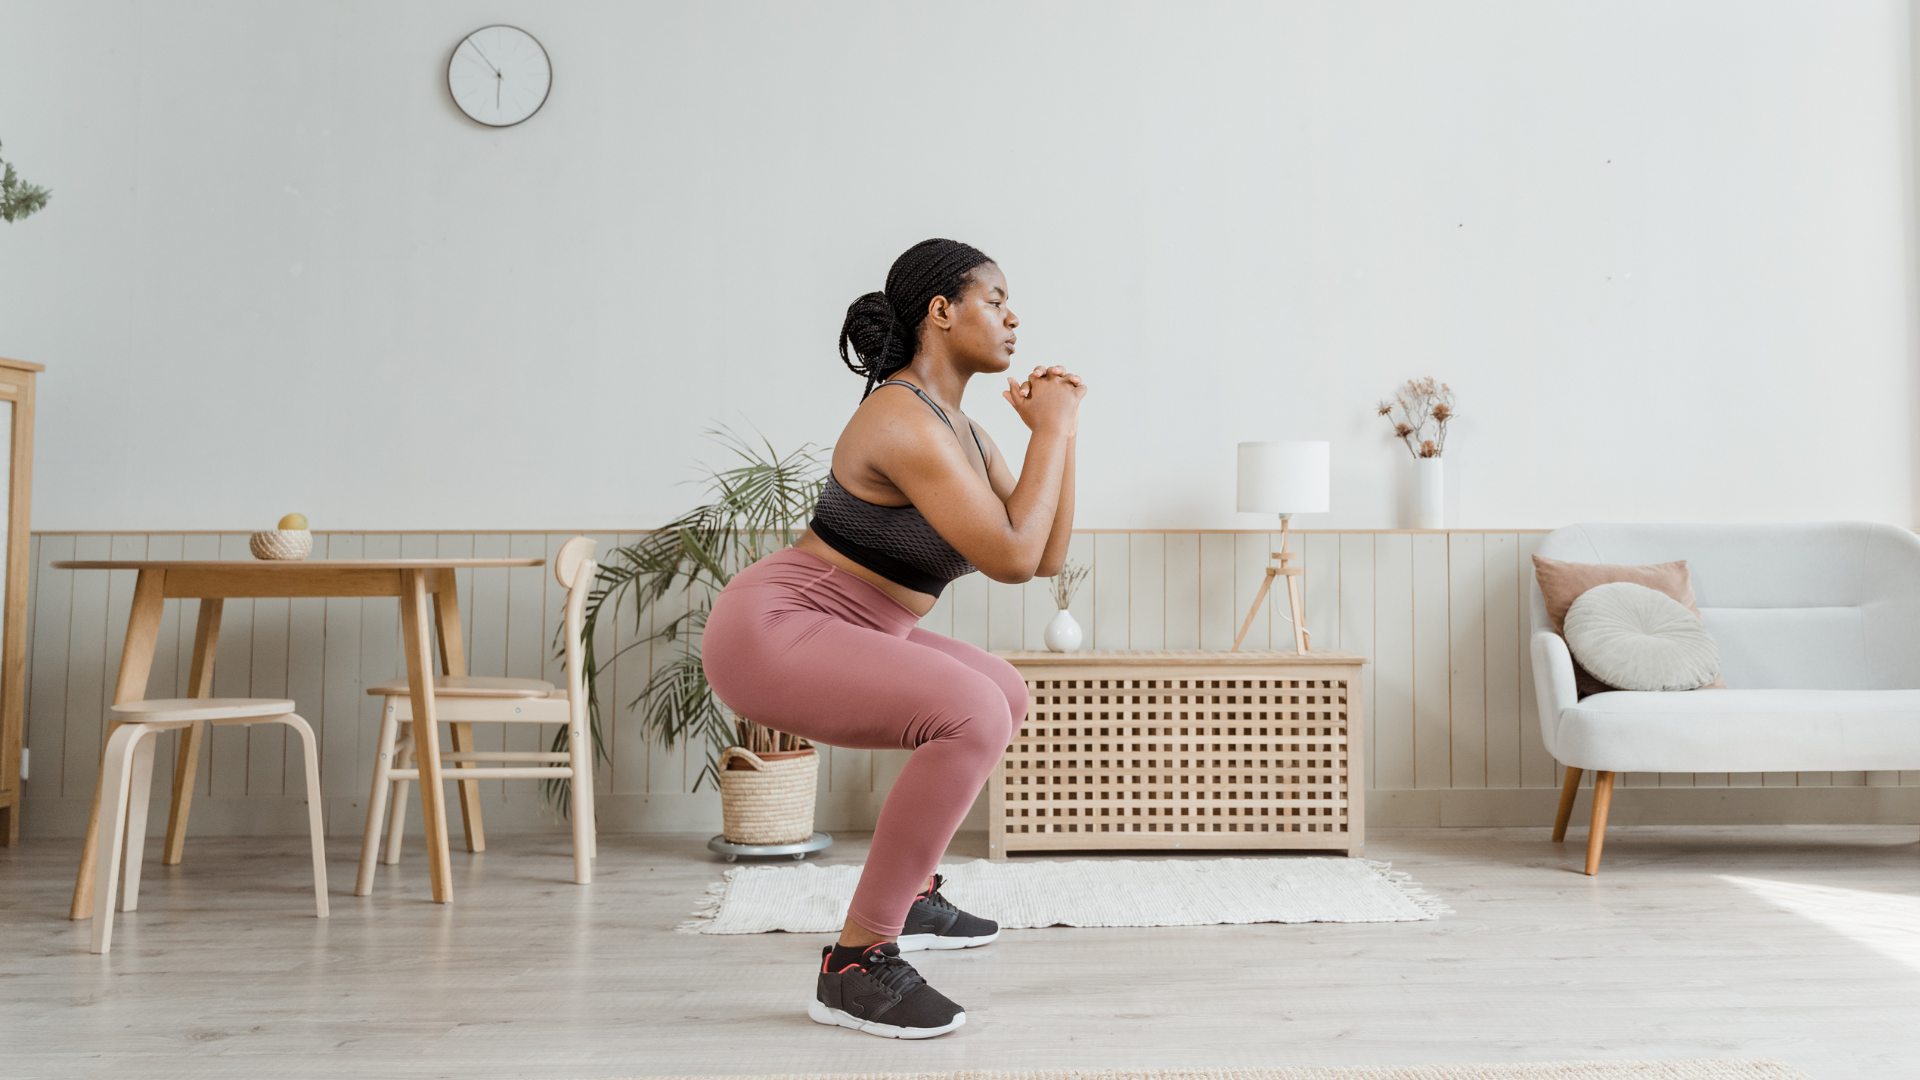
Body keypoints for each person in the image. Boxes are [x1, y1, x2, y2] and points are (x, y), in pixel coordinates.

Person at [702, 238, 1086, 1039]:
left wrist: (1063, 434)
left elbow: (1046, 554)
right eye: (995, 297)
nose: (1014, 316)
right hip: (779, 626)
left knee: (1002, 693)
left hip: (859, 624)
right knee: (973, 712)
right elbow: (1013, 558)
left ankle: (909, 894)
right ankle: (855, 964)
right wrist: (1048, 430)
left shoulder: (969, 435)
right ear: (941, 312)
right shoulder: (900, 418)